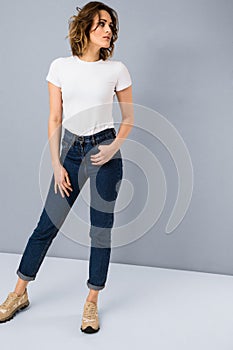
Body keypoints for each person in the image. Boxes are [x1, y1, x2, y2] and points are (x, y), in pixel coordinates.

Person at [0, 1, 133, 334]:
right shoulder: (60, 66)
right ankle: (18, 295)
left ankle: (91, 303)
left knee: (100, 230)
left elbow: (129, 119)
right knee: (47, 225)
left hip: (105, 149)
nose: (108, 30)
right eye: (101, 24)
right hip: (71, 151)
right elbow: (55, 117)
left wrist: (113, 147)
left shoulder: (117, 69)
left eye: (111, 26)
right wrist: (57, 164)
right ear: (85, 27)